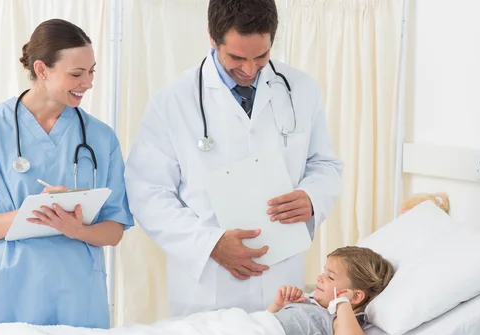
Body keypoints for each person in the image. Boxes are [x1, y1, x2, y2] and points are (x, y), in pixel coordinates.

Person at [124, 0, 343, 317]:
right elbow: (147, 191)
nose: (250, 70)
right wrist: (209, 245)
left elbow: (325, 164)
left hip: (282, 280)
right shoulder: (173, 101)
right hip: (209, 286)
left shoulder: (302, 90)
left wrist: (311, 197)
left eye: (261, 56)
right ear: (212, 38)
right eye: (237, 57)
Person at [0, 19, 134, 328]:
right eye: (76, 74)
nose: (87, 83)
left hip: (77, 297)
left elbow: (114, 230)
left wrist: (77, 229)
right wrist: (36, 212)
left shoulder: (100, 138)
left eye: (91, 71)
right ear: (42, 69)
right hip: (5, 296)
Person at [266, 246, 395, 335]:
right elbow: (265, 322)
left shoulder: (337, 321)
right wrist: (277, 306)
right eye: (324, 272)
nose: (319, 278)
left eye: (330, 277)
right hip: (255, 330)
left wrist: (343, 303)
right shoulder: (307, 302)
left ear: (355, 297)